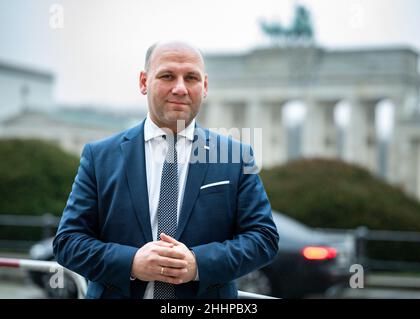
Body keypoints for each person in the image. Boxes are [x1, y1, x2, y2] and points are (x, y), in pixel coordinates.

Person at [53, 41, 279, 299]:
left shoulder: (237, 157)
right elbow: (67, 242)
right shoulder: (99, 156)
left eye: (191, 78)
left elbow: (264, 239)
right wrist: (131, 262)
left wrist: (198, 264)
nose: (180, 88)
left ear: (204, 87)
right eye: (167, 76)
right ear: (143, 82)